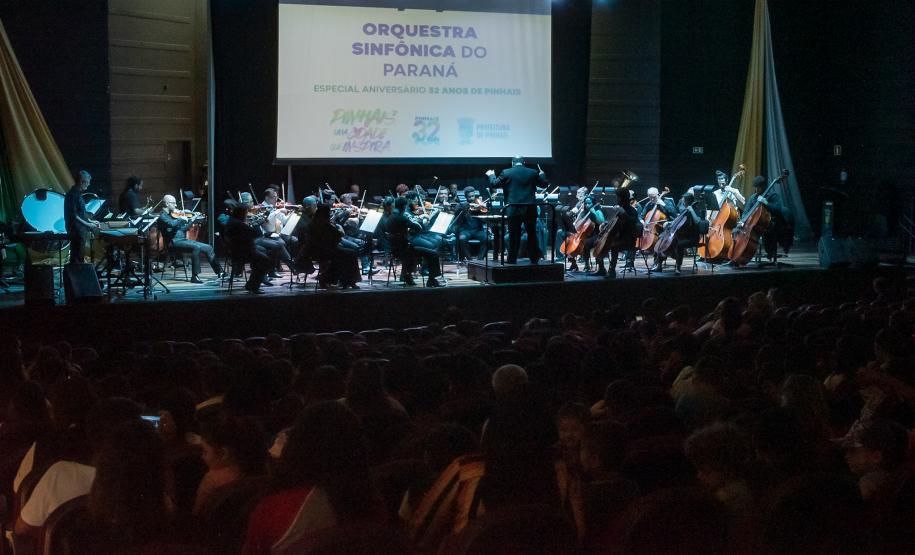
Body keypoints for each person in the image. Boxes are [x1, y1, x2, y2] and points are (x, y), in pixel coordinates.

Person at [486, 155, 548, 264]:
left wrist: (491, 175)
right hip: (530, 208)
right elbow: (544, 184)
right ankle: (534, 258)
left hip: (513, 208)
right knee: (532, 234)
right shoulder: (533, 172)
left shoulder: (506, 172)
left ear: (512, 163)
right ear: (523, 162)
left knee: (514, 235)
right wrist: (542, 175)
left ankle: (512, 259)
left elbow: (494, 184)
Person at [159, 194, 223, 283]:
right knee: (196, 247)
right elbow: (172, 224)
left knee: (208, 247)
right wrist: (181, 218)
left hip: (182, 240)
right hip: (173, 242)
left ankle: (220, 272)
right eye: (173, 203)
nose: (176, 205)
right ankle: (194, 276)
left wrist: (192, 219)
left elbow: (183, 229)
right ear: (166, 204)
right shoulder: (162, 216)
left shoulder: (175, 215)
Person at [385, 196, 442, 287]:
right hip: (405, 250)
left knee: (420, 249)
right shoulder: (402, 218)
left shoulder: (391, 217)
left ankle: (408, 275)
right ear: (404, 207)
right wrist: (417, 220)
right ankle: (431, 280)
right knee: (433, 254)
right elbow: (418, 228)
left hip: (395, 249)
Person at [223, 201, 272, 293]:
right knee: (266, 261)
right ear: (242, 213)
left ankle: (256, 279)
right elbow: (256, 234)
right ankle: (253, 285)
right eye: (246, 212)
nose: (247, 214)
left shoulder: (232, 221)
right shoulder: (238, 224)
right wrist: (258, 222)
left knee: (262, 252)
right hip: (242, 252)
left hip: (240, 250)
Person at [735, 175, 787, 262]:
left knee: (768, 231)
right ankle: (737, 255)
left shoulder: (773, 196)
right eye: (755, 188)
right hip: (755, 224)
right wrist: (742, 221)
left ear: (763, 187)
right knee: (737, 230)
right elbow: (746, 212)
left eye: (758, 188)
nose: (756, 190)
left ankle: (770, 253)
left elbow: (778, 210)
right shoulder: (753, 198)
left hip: (771, 223)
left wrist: (766, 202)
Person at [651, 190, 703, 275]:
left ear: (687, 201)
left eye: (683, 200)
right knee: (661, 238)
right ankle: (659, 265)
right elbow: (678, 222)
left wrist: (691, 210)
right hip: (682, 235)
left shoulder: (695, 210)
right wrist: (670, 223)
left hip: (692, 237)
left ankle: (678, 267)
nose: (682, 202)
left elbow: (698, 222)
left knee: (679, 244)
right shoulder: (685, 210)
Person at [64, 170, 100, 264]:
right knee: (77, 258)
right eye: (87, 182)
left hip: (80, 230)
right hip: (76, 231)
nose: (88, 185)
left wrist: (90, 221)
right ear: (81, 182)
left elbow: (81, 213)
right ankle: (76, 276)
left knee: (80, 256)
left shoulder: (78, 194)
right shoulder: (72, 195)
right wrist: (88, 224)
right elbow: (74, 215)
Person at [453, 187, 487, 262]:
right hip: (466, 230)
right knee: (462, 239)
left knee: (487, 239)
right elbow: (456, 215)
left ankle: (480, 260)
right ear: (466, 197)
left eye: (473, 196)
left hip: (478, 230)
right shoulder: (461, 205)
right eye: (469, 196)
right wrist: (467, 207)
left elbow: (484, 220)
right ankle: (469, 259)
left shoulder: (479, 205)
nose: (472, 198)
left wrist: (481, 208)